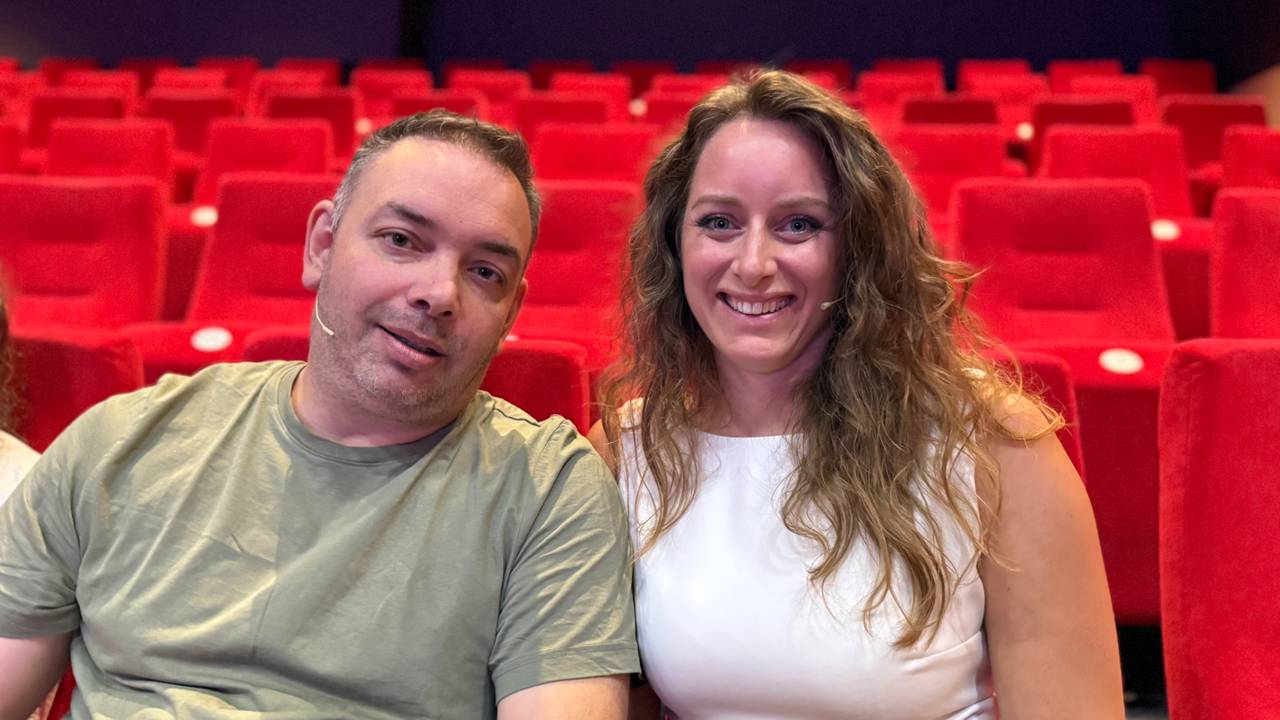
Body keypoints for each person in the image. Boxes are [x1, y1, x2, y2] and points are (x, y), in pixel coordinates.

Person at [0, 111, 639, 719]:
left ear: (512, 314)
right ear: (321, 244)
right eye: (401, 240)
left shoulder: (548, 492)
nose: (440, 293)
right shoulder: (121, 442)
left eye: (484, 272)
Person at [590, 70, 1124, 718]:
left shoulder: (993, 443)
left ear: (858, 250)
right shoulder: (629, 454)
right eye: (720, 222)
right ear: (677, 244)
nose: (754, 263)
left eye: (798, 225)